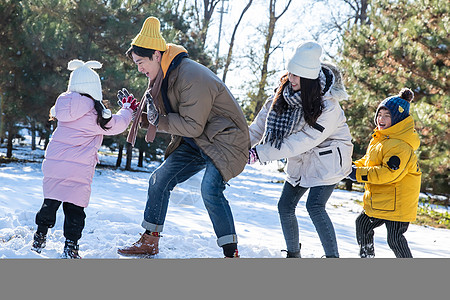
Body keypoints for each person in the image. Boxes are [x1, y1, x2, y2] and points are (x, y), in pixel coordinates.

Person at [117, 17, 250, 258]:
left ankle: (231, 254)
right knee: (159, 179)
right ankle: (149, 240)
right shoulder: (163, 78)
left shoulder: (191, 76)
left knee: (210, 190)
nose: (139, 69)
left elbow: (191, 125)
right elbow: (164, 118)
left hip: (225, 141)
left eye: (140, 62)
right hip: (197, 140)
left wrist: (157, 119)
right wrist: (138, 113)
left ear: (156, 55)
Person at [248, 41, 353, 258]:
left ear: (309, 79)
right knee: (285, 206)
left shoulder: (329, 106)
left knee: (315, 207)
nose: (291, 79)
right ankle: (293, 256)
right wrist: (239, 147)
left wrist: (261, 153)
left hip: (328, 161)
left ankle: (333, 258)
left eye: (297, 76)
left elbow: (303, 140)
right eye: (290, 73)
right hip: (301, 160)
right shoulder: (283, 94)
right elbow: (260, 125)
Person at [31, 59, 138, 258]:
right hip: (78, 171)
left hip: (54, 164)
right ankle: (71, 245)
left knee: (50, 202)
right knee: (74, 208)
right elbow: (117, 124)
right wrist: (127, 110)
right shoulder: (93, 115)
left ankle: (39, 236)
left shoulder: (62, 109)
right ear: (94, 89)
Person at [348, 88, 421, 258]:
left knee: (394, 239)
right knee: (363, 224)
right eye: (379, 114)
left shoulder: (400, 145)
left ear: (398, 119)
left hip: (398, 203)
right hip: (383, 200)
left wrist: (357, 174)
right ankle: (367, 258)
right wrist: (347, 168)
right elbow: (368, 162)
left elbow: (388, 173)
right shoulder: (380, 139)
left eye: (387, 115)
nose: (381, 119)